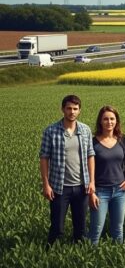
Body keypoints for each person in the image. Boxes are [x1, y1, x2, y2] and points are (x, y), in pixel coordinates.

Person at [39, 95, 95, 245]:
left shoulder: (85, 130)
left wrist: (91, 181)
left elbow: (91, 155)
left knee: (81, 228)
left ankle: (77, 256)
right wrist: (46, 184)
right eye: (69, 108)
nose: (72, 112)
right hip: (59, 187)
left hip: (81, 187)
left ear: (79, 111)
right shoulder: (51, 131)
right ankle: (51, 254)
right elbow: (44, 158)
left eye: (75, 109)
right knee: (57, 227)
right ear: (62, 109)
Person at [89, 105, 125, 244]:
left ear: (116, 121)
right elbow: (86, 168)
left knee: (118, 229)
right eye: (106, 119)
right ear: (100, 121)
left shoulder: (122, 139)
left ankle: (117, 260)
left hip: (120, 191)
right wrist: (91, 193)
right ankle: (88, 259)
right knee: (96, 229)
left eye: (112, 119)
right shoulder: (93, 142)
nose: (109, 122)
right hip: (100, 191)